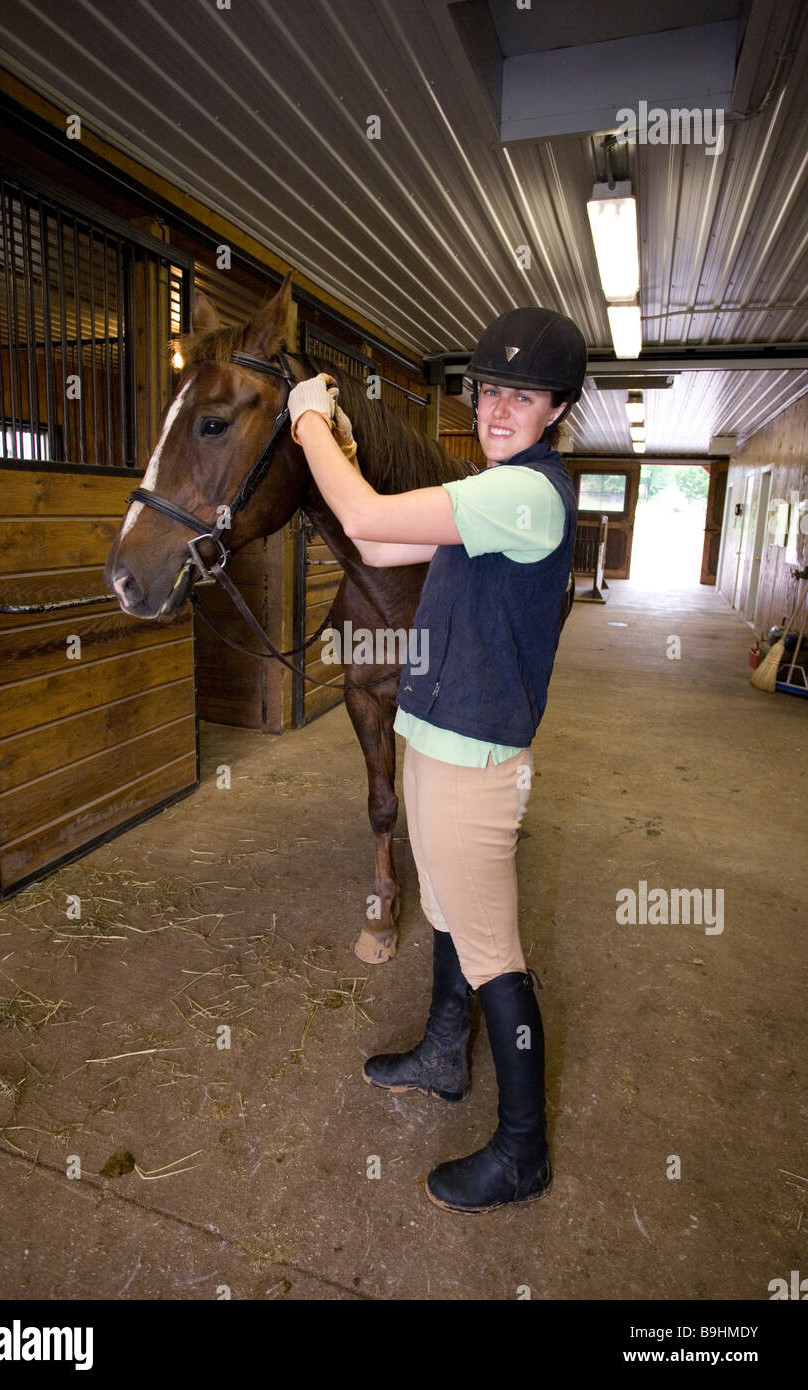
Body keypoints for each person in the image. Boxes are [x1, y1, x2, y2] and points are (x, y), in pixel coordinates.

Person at [287, 307, 586, 1214]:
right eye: (490, 390)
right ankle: (442, 1053)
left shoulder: (526, 494)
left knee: (493, 950)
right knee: (451, 909)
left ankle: (524, 1151)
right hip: (434, 738)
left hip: (474, 759)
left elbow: (365, 507)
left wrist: (307, 419)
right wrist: (337, 438)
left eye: (521, 396)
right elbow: (376, 540)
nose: (498, 409)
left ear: (555, 409)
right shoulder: (488, 489)